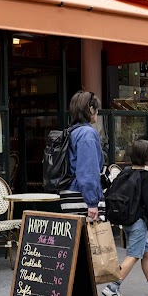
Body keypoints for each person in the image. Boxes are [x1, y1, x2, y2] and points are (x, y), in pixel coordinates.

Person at [101, 140, 148, 296]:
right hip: (138, 222)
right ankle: (113, 287)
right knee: (133, 255)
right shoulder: (145, 176)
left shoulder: (125, 172)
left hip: (125, 220)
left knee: (145, 253)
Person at [59, 91, 105, 220]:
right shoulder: (87, 134)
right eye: (97, 109)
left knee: (75, 238)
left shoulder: (72, 131)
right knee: (93, 238)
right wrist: (92, 202)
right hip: (82, 197)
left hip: (69, 193)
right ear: (91, 109)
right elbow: (87, 170)